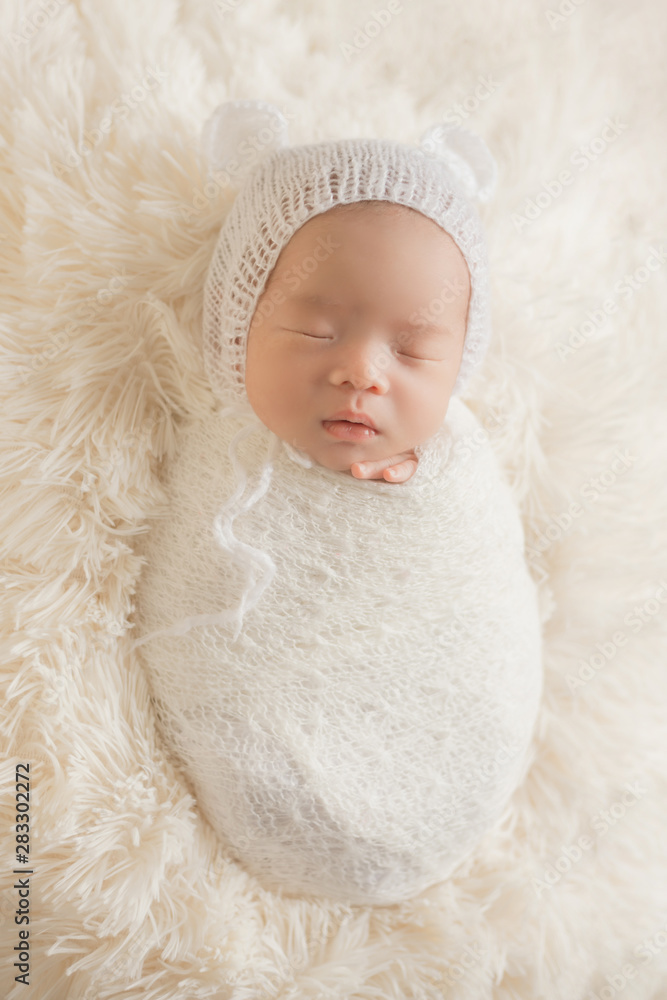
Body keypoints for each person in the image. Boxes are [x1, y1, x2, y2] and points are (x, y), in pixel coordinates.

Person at [131, 101, 544, 905]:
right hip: (265, 774)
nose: (361, 371)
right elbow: (194, 602)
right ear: (238, 323)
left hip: (448, 772)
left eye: (413, 348)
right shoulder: (223, 461)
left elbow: (480, 605)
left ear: (459, 362)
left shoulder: (458, 473)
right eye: (317, 331)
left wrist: (420, 489)